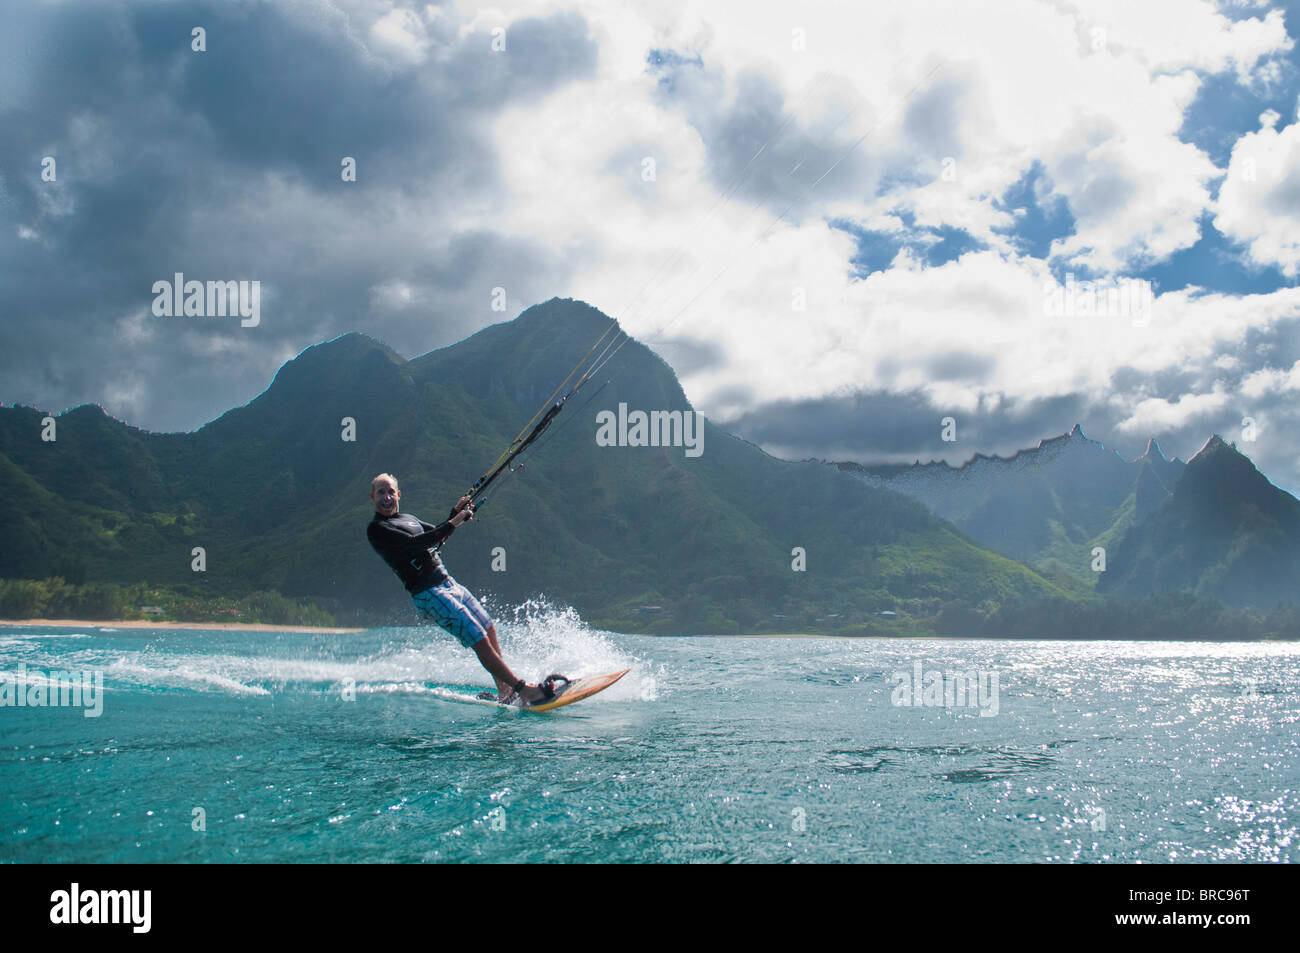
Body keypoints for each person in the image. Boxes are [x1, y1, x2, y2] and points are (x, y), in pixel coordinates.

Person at [366, 472, 546, 705]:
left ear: (398, 494)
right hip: (428, 593)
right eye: (381, 492)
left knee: (488, 627)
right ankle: (523, 690)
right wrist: (455, 520)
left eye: (391, 491)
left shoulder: (408, 519)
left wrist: (454, 513)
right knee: (479, 638)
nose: (387, 497)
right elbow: (415, 544)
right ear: (373, 498)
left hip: (447, 582)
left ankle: (505, 692)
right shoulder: (377, 529)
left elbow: (437, 534)